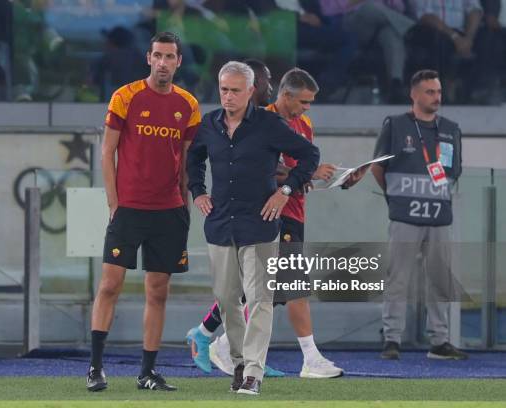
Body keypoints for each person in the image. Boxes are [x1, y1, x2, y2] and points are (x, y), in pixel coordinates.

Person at [187, 65, 353, 379]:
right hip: (268, 213)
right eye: (303, 102)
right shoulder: (259, 121)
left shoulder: (300, 124)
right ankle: (306, 357)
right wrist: (198, 191)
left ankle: (216, 340)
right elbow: (266, 168)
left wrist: (337, 179)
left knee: (264, 292)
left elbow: (303, 165)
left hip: (292, 210)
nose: (307, 108)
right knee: (288, 285)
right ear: (286, 96)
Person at [86, 31, 200, 392]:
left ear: (179, 62)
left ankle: (147, 372)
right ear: (148, 58)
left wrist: (184, 202)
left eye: (170, 57)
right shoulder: (125, 96)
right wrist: (113, 202)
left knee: (158, 291)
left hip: (169, 211)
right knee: (109, 285)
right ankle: (95, 367)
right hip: (129, 208)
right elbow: (107, 152)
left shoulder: (189, 105)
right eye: (158, 56)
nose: (163, 63)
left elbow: (186, 162)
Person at [371, 69, 467, 360]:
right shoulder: (396, 125)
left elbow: (455, 172)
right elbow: (378, 167)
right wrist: (395, 198)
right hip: (404, 217)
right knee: (397, 278)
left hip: (439, 217)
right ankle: (392, 339)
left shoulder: (451, 128)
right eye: (429, 92)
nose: (436, 97)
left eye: (438, 92)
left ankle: (439, 341)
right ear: (413, 94)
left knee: (440, 279)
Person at [406, 0, 502, 104]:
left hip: (461, 33)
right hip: (433, 30)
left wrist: (468, 39)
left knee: (491, 35)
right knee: (438, 39)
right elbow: (426, 16)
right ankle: (442, 89)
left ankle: (480, 89)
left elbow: (475, 10)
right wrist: (455, 37)